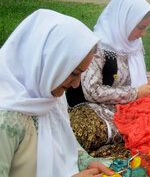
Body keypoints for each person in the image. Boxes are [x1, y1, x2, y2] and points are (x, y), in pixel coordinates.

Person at [0, 9, 115, 176]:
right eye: (74, 73)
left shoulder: (50, 95)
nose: (76, 84)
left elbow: (68, 144)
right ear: (47, 63)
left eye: (81, 74)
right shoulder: (7, 120)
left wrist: (87, 162)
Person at [66, 0, 150, 158]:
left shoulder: (132, 43)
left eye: (146, 27)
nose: (143, 33)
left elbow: (133, 72)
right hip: (88, 105)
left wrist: (146, 80)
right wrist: (135, 93)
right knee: (88, 133)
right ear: (125, 22)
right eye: (140, 27)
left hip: (120, 105)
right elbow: (92, 91)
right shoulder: (98, 47)